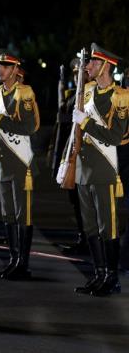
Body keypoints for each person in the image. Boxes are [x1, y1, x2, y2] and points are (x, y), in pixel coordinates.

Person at [71, 44, 127, 296]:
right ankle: (98, 274)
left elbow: (115, 135)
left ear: (105, 65)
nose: (87, 67)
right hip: (84, 166)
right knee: (90, 226)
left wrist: (87, 123)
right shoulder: (87, 91)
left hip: (105, 167)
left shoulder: (121, 97)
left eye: (92, 63)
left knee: (108, 226)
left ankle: (111, 278)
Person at [0, 49, 40, 280]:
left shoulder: (24, 93)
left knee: (22, 214)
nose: (0, 70)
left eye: (5, 66)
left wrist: (1, 119)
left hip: (20, 161)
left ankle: (22, 264)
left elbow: (29, 127)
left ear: (16, 69)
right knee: (7, 214)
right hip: (2, 161)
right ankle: (13, 259)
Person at [50, 58, 87, 254]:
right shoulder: (75, 95)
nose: (78, 76)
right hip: (71, 154)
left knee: (85, 202)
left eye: (80, 72)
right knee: (76, 200)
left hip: (84, 157)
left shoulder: (89, 94)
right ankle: (83, 238)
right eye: (75, 73)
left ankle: (88, 240)